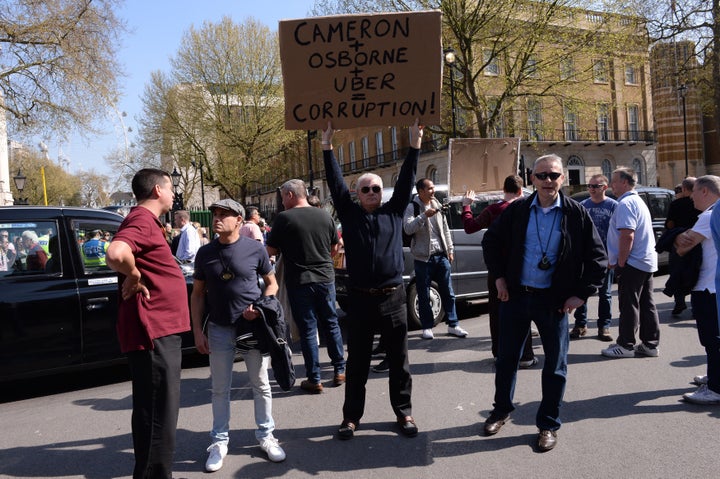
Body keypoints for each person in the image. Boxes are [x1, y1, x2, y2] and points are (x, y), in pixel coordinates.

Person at [481, 154, 606, 452]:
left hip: (554, 302)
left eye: (553, 175)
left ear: (563, 178)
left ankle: (548, 423)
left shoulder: (576, 214)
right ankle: (501, 411)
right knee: (507, 359)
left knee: (555, 365)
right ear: (532, 178)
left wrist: (581, 293)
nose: (548, 181)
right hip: (516, 296)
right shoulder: (518, 210)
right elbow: (491, 242)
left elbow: (598, 258)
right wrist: (498, 278)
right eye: (541, 176)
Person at [322, 119, 423, 440]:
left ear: (382, 192)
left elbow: (407, 180)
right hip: (361, 299)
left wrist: (415, 146)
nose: (370, 192)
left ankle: (404, 412)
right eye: (364, 189)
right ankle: (351, 418)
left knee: (399, 362)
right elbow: (336, 184)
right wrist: (327, 147)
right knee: (358, 365)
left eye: (375, 188)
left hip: (393, 299)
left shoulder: (393, 211)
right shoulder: (349, 215)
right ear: (357, 193)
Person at [106, 168, 190, 479]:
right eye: (170, 189)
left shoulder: (146, 221)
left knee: (156, 410)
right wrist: (135, 274)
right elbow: (116, 253)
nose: (173, 195)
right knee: (158, 412)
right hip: (153, 330)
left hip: (158, 329)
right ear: (157, 190)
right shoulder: (141, 220)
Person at [191, 199, 286, 471]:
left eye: (225, 214)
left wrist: (260, 307)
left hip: (252, 328)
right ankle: (219, 441)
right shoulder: (205, 253)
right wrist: (197, 330)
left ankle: (266, 436)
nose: (218, 219)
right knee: (220, 388)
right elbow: (197, 294)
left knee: (261, 384)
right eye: (216, 214)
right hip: (219, 328)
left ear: (239, 220)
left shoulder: (255, 249)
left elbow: (272, 284)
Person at [266, 179, 346, 394]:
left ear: (291, 195)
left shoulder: (284, 218)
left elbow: (270, 251)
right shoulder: (324, 215)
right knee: (331, 323)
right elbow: (335, 247)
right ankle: (340, 369)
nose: (282, 202)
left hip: (300, 280)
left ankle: (315, 378)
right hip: (325, 278)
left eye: (283, 196)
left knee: (309, 330)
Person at [462, 175, 536, 366]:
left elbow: (470, 227)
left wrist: (466, 206)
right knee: (522, 312)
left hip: (497, 269)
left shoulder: (493, 210)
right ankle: (526, 355)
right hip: (521, 268)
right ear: (521, 191)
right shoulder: (528, 209)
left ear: (504, 190)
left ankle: (499, 354)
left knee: (497, 313)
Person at [601, 167, 661, 359]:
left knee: (629, 304)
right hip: (644, 260)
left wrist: (620, 262)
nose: (612, 185)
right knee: (646, 304)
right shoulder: (637, 201)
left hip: (633, 262)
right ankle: (650, 344)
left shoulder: (626, 203)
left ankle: (625, 344)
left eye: (615, 180)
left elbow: (627, 235)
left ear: (625, 182)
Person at [675, 176, 720, 404]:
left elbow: (683, 247)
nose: (690, 196)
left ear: (704, 192)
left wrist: (676, 238)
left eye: (693, 192)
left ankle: (715, 387)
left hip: (708, 287)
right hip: (713, 286)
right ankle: (714, 377)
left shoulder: (708, 216)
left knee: (712, 339)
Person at [404, 178, 467, 340]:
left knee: (448, 291)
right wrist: (424, 216)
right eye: (430, 189)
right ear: (421, 191)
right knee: (423, 294)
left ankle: (453, 325)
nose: (433, 191)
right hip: (423, 258)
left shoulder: (436, 204)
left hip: (441, 255)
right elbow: (408, 228)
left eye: (433, 188)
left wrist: (450, 250)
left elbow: (445, 228)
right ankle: (427, 327)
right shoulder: (413, 207)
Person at [571, 174, 617, 341]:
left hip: (606, 257)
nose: (591, 189)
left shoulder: (613, 206)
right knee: (582, 292)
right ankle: (580, 325)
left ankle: (604, 326)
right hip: (585, 258)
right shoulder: (582, 206)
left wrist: (615, 255)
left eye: (595, 186)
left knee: (605, 294)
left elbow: (619, 232)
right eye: (589, 186)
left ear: (604, 188)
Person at [665, 177, 700, 315]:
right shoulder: (700, 204)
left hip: (679, 241)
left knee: (677, 272)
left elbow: (669, 224)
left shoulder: (676, 204)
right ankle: (695, 306)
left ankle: (679, 302)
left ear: (684, 189)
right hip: (697, 242)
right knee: (696, 272)